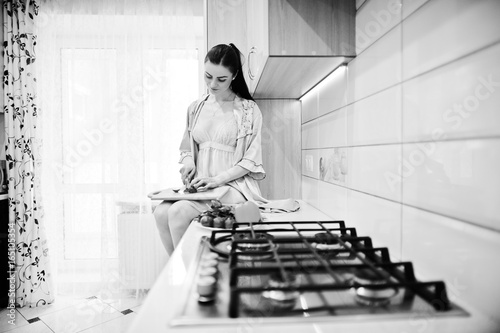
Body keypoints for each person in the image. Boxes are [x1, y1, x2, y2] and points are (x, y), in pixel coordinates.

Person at [154, 43, 268, 255]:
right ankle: (181, 270)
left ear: (234, 76)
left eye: (221, 79)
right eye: (208, 76)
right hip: (203, 187)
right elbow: (187, 147)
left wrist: (217, 179)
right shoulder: (195, 108)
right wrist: (188, 162)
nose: (212, 84)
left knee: (177, 211)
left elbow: (250, 160)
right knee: (161, 211)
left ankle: (189, 276)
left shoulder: (249, 110)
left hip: (233, 187)